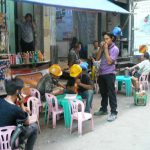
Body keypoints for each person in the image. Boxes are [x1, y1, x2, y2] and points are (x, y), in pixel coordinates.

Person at [0, 78, 38, 150]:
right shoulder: (16, 109)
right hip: (10, 140)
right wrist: (21, 104)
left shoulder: (1, 101)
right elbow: (27, 123)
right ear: (18, 92)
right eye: (22, 89)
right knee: (34, 127)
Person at [94, 32, 119, 122]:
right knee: (103, 93)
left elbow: (109, 62)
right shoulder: (104, 47)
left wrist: (105, 49)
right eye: (104, 39)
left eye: (107, 39)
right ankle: (104, 109)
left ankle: (114, 112)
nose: (105, 41)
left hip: (110, 74)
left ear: (112, 38)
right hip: (101, 73)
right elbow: (97, 59)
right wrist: (101, 49)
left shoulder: (115, 49)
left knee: (111, 93)